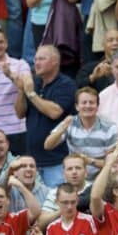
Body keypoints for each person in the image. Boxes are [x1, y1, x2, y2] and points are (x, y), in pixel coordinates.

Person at [16, 45, 76, 187]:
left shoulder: (66, 84)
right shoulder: (35, 83)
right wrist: (20, 90)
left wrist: (31, 94)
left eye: (42, 59)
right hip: (32, 162)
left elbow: (55, 112)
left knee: (54, 205)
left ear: (55, 61)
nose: (36, 63)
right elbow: (19, 113)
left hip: (56, 161)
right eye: (36, 59)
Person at [44, 87, 118, 179]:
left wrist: (89, 161)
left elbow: (113, 164)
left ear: (97, 106)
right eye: (84, 103)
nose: (87, 106)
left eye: (91, 102)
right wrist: (63, 127)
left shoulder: (109, 127)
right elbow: (48, 145)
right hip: (76, 177)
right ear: (77, 106)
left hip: (101, 177)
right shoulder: (69, 123)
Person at [7, 155, 50, 235]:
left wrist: (21, 186)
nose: (29, 169)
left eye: (32, 166)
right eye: (23, 166)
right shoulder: (8, 190)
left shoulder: (46, 191)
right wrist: (8, 175)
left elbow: (42, 221)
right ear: (14, 172)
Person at [76, 29, 118, 93]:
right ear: (103, 45)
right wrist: (93, 77)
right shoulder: (91, 68)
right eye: (110, 40)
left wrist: (115, 73)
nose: (115, 43)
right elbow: (78, 86)